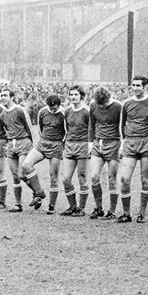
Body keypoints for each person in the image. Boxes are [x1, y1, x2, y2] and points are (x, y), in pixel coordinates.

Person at [117, 75, 148, 223]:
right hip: (130, 143)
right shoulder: (127, 103)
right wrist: (123, 142)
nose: (135, 88)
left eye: (138, 86)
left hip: (146, 142)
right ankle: (126, 213)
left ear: (145, 87)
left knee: (145, 180)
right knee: (124, 179)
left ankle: (141, 213)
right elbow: (121, 125)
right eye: (133, 85)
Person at [0, 87, 46, 212]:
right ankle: (19, 204)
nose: (2, 98)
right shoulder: (2, 114)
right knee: (15, 176)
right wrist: (7, 144)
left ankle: (38, 192)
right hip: (11, 145)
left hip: (23, 142)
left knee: (21, 173)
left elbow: (29, 128)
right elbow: (5, 130)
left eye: (5, 95)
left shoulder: (20, 110)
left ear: (12, 97)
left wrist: (32, 144)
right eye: (1, 95)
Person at [88, 86, 123, 219]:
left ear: (109, 98)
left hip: (113, 143)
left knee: (111, 179)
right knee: (94, 176)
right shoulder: (93, 105)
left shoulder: (118, 106)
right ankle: (98, 208)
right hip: (98, 143)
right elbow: (91, 125)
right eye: (100, 104)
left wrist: (122, 145)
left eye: (104, 104)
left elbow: (122, 126)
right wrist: (90, 143)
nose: (102, 106)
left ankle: (112, 211)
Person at [61, 85, 91, 217]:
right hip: (69, 145)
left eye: (76, 95)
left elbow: (91, 130)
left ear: (82, 96)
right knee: (66, 179)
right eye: (71, 94)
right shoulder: (67, 111)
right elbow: (67, 128)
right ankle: (72, 206)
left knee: (82, 177)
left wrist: (90, 146)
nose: (73, 97)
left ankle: (81, 208)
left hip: (83, 146)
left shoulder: (86, 111)